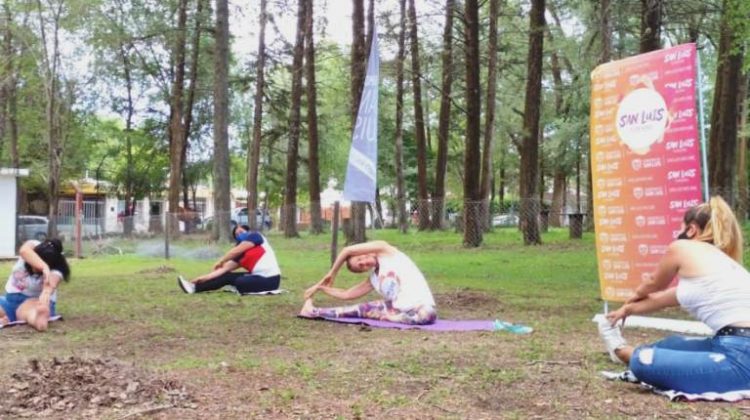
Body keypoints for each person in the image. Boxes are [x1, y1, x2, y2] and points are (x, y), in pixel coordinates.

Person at [597, 196, 750, 394]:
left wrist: (635, 295)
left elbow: (653, 283)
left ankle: (621, 352)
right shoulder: (720, 265)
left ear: (691, 229)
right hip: (730, 344)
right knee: (672, 344)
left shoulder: (682, 247)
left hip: (739, 357)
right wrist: (627, 310)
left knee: (644, 361)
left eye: (681, 228)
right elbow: (665, 298)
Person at [299, 240, 437, 325]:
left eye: (361, 258)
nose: (364, 262)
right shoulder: (373, 280)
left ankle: (393, 318)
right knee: (356, 310)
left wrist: (332, 273)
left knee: (428, 314)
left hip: (419, 306)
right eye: (361, 266)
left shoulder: (387, 252)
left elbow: (347, 250)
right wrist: (320, 288)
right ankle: (311, 311)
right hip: (395, 309)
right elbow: (346, 294)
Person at [177, 225, 281, 294]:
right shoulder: (240, 255)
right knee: (227, 277)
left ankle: (195, 287)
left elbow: (234, 252)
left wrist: (221, 261)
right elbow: (222, 271)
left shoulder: (256, 237)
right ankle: (194, 288)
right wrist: (200, 279)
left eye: (241, 231)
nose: (239, 234)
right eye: (237, 235)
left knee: (240, 282)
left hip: (271, 279)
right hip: (257, 277)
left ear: (248, 231)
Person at [0, 239, 71, 331]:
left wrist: (46, 292)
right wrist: (44, 267)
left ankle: (38, 319)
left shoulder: (57, 267)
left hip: (32, 302)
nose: (35, 269)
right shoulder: (34, 246)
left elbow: (50, 284)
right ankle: (4, 319)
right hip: (9, 301)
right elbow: (23, 251)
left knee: (28, 310)